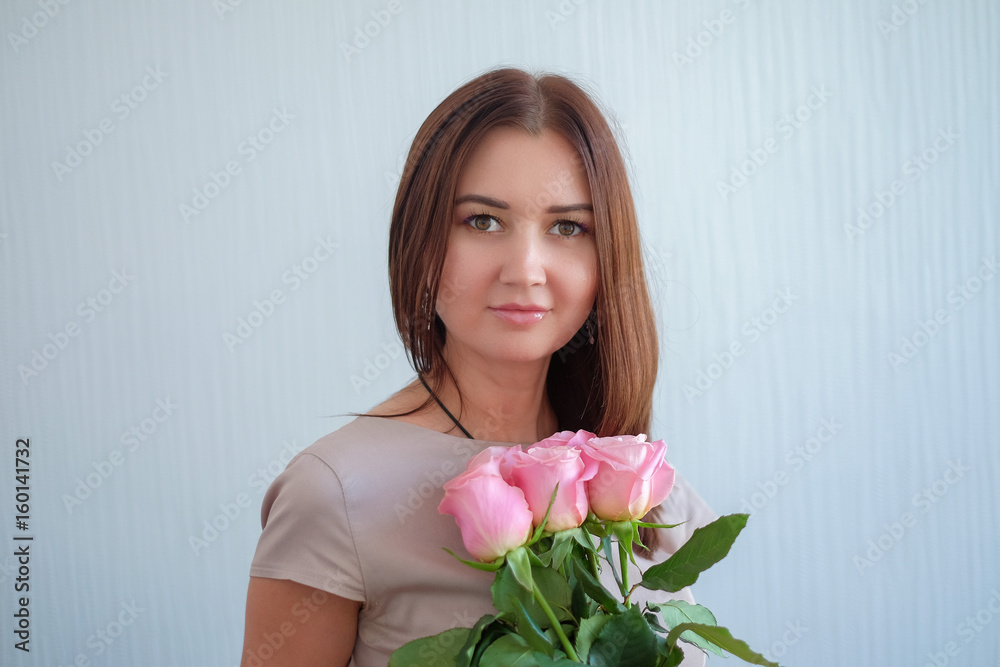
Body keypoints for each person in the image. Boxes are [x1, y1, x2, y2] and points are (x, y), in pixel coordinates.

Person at [240, 67, 715, 667]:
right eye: (483, 221)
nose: (525, 269)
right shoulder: (335, 493)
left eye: (568, 227)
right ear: (420, 241)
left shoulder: (630, 479)